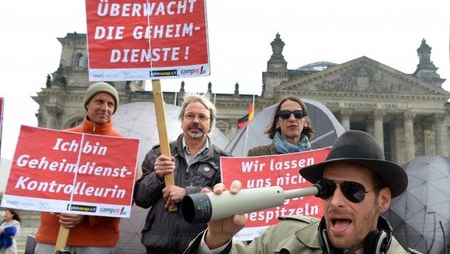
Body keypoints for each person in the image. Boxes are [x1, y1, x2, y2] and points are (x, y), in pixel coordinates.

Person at [184, 130, 409, 253]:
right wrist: (216, 241)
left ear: (383, 200)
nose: (335, 202)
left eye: (353, 191)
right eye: (327, 189)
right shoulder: (282, 238)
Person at [134, 93, 230, 254]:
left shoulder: (222, 161)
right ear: (182, 121)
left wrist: (188, 193)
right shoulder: (159, 153)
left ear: (210, 124)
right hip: (158, 245)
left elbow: (226, 204)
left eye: (202, 117)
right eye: (190, 115)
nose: (195, 121)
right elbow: (141, 199)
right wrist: (156, 176)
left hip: (198, 246)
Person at [34, 82, 122, 254]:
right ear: (87, 104)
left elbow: (124, 195)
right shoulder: (62, 139)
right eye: (99, 101)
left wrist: (86, 215)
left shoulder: (122, 146)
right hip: (53, 235)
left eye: (110, 104)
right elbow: (41, 180)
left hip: (96, 241)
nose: (105, 108)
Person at [247, 96, 313, 156]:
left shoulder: (319, 158)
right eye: (285, 114)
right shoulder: (256, 155)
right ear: (277, 123)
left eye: (298, 114)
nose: (292, 119)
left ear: (305, 122)